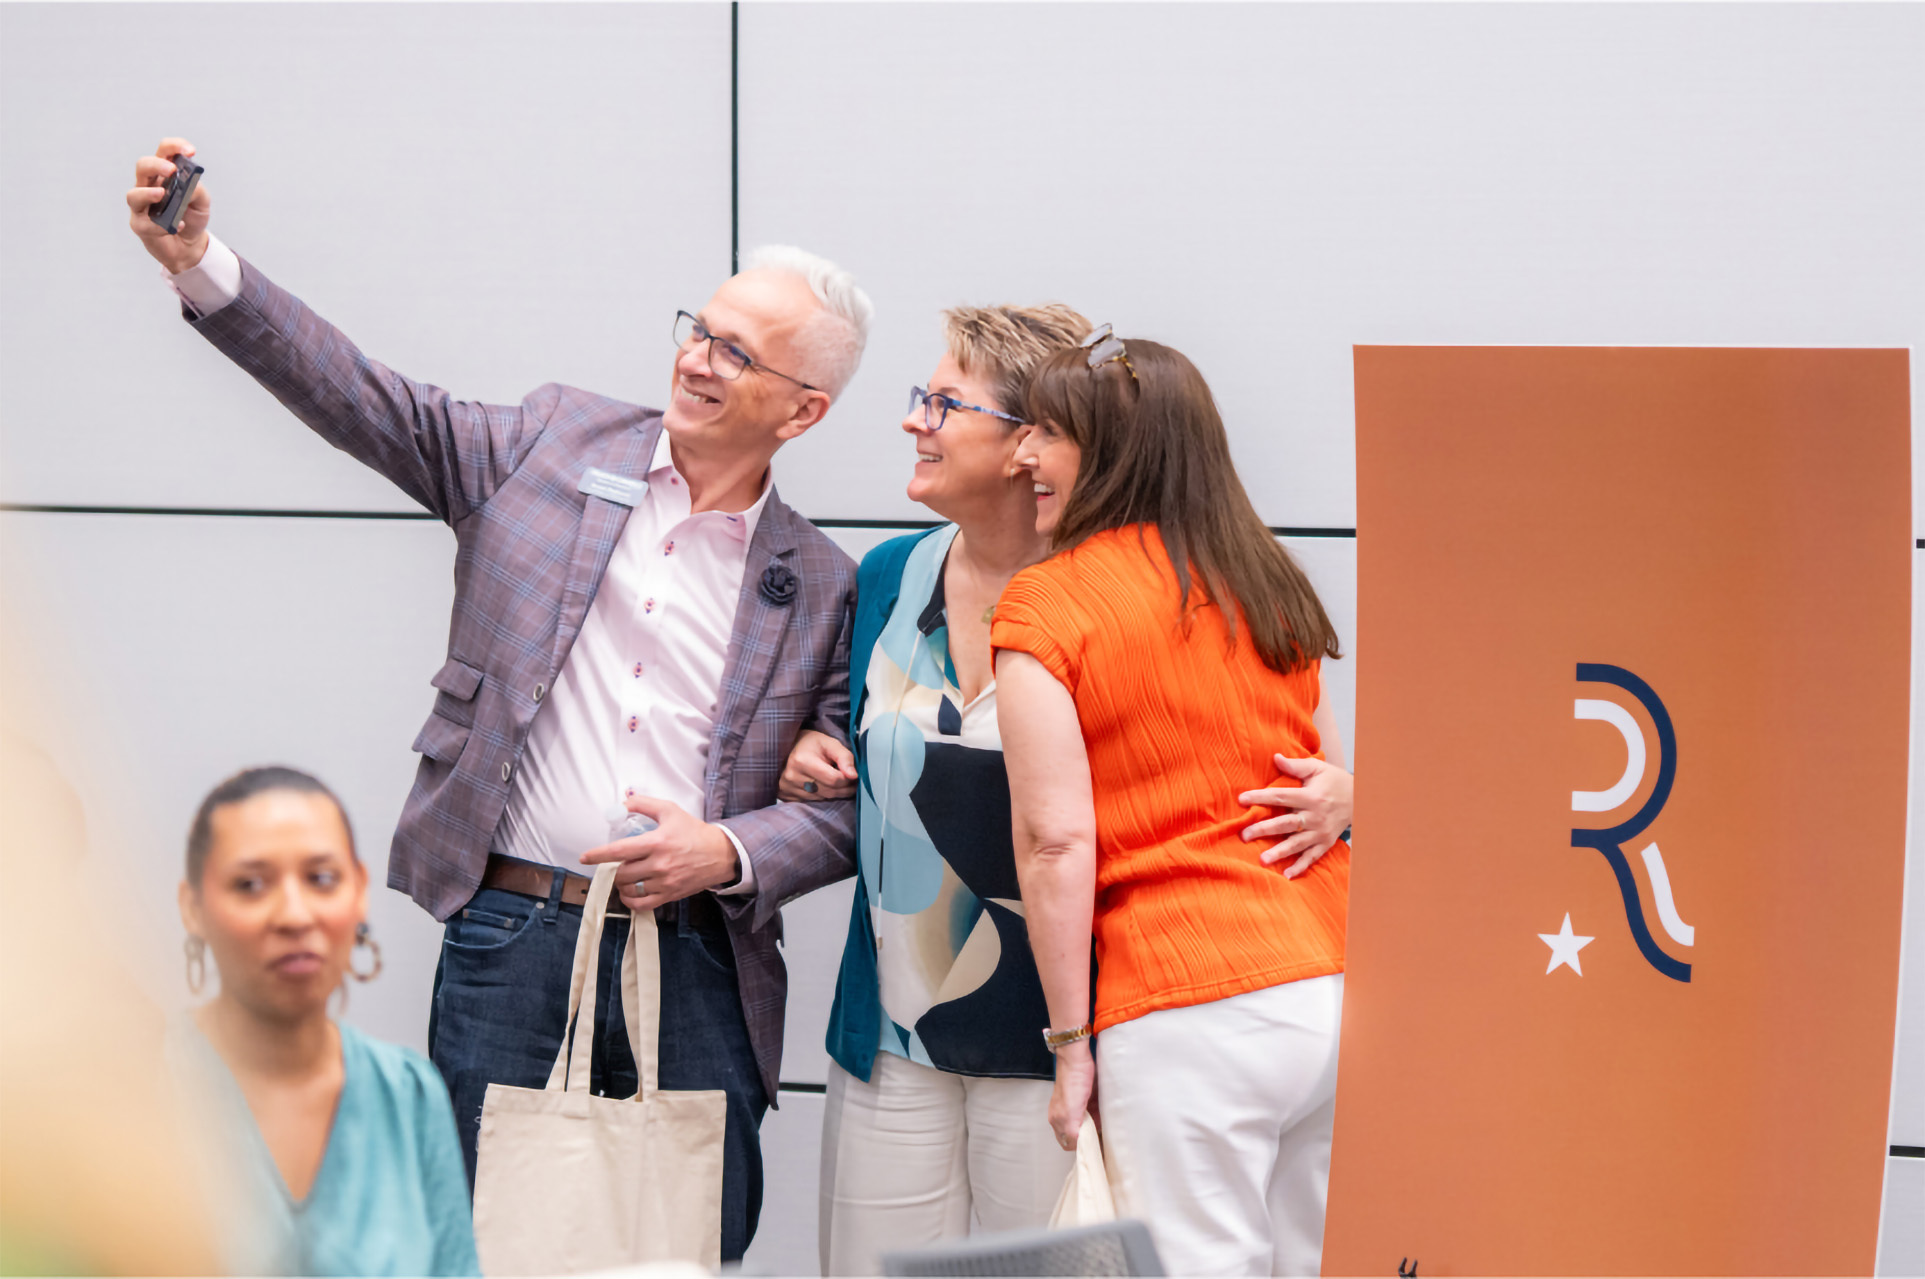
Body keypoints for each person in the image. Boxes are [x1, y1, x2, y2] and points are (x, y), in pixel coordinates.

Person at [126, 137, 864, 1260]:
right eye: (699, 329)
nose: (698, 359)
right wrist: (200, 263)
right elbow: (368, 400)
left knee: (682, 1240)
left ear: (801, 411)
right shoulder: (549, 443)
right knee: (482, 1237)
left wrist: (726, 849)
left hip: (698, 957)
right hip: (514, 929)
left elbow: (848, 805)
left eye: (736, 352)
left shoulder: (818, 580)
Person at [776, 313, 1355, 1274]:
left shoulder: (1091, 593)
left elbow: (1102, 819)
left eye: (946, 403)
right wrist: (806, 746)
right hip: (901, 1029)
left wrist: (1348, 792)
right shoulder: (889, 575)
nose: (916, 421)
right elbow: (846, 733)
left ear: (1031, 443)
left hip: (1075, 1024)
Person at [993, 331, 1352, 1277]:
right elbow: (1321, 774)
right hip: (1331, 983)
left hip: (1184, 995)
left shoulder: (1045, 604)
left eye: (1047, 433)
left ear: (1115, 451)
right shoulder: (1264, 583)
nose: (1021, 455)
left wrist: (1070, 1045)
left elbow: (1055, 842)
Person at [170, 766, 479, 1276]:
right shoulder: (131, 1092)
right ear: (193, 907)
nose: (295, 915)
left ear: (359, 891)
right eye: (250, 884)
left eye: (321, 879)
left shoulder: (408, 1095)